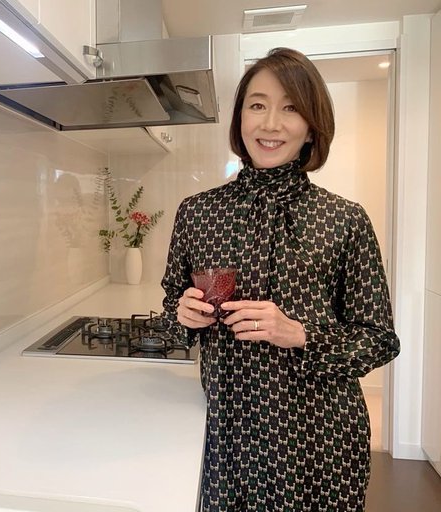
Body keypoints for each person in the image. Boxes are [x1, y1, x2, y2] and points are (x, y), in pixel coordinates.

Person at [161, 47, 400, 511]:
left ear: (312, 126)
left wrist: (300, 334)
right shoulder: (197, 213)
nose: (270, 124)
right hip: (229, 440)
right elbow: (172, 313)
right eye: (257, 105)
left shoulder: (344, 220)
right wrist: (182, 316)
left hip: (320, 442)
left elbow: (379, 341)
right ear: (240, 118)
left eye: (290, 108)